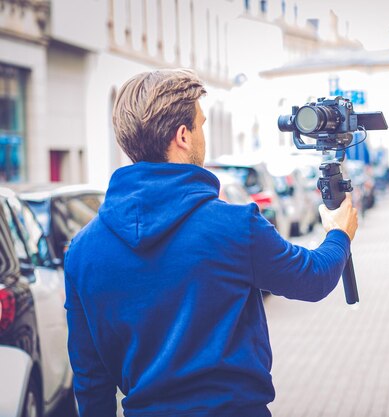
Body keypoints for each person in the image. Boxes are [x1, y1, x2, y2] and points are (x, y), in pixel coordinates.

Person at [64, 69, 358, 417]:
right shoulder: (234, 226)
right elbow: (312, 278)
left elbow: (90, 383)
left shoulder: (82, 251)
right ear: (183, 136)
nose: (204, 135)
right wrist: (339, 233)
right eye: (202, 125)